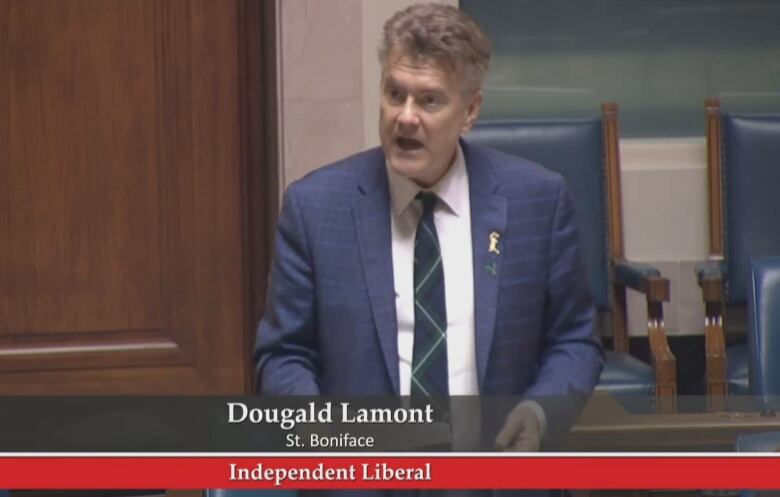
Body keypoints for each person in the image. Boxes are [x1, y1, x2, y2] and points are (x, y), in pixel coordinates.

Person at [254, 2, 603, 458]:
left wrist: (539, 413)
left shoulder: (536, 201)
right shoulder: (316, 207)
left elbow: (574, 341)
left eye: (429, 99)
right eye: (395, 94)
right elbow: (282, 356)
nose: (405, 117)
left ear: (471, 111)